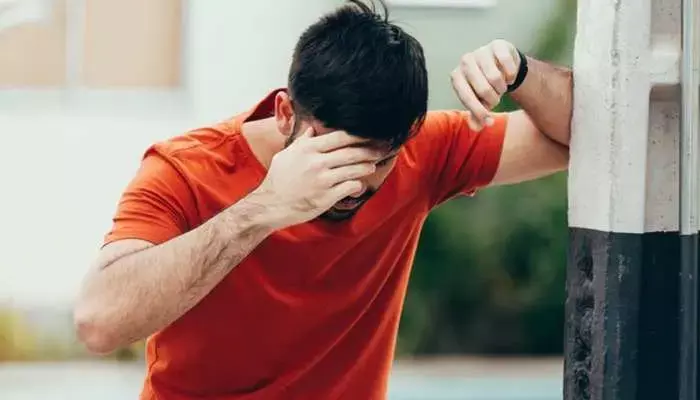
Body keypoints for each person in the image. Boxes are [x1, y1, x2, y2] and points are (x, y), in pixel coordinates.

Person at [74, 1, 572, 399]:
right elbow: (99, 322)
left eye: (378, 161)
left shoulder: (422, 152)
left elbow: (590, 137)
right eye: (336, 156)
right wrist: (263, 208)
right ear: (285, 114)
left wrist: (519, 70)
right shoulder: (185, 168)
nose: (355, 183)